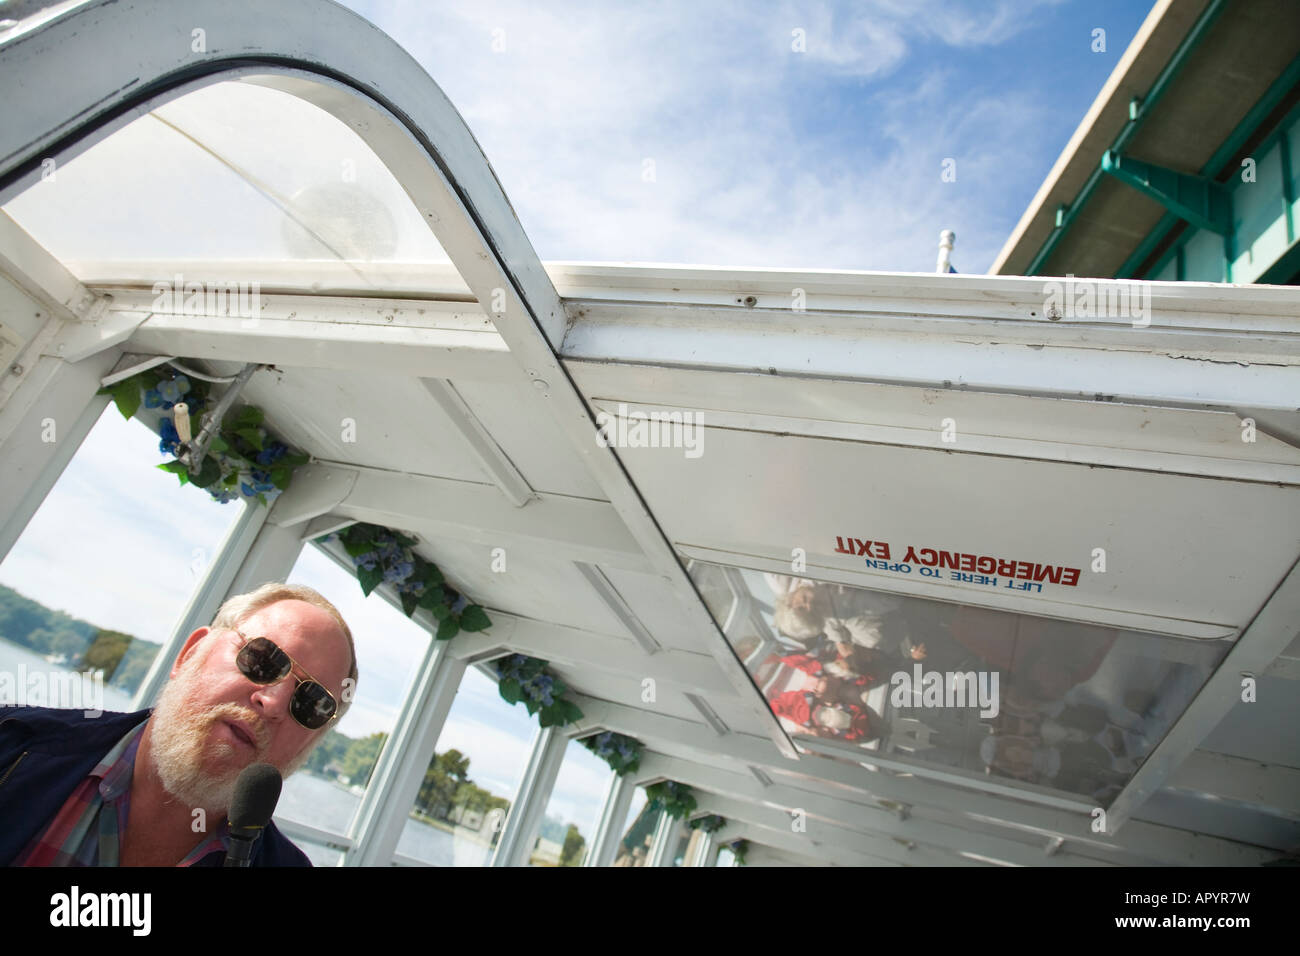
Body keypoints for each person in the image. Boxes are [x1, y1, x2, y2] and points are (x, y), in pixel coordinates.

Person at [0, 582, 357, 867]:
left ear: (309, 744)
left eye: (311, 703)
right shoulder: (12, 744)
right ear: (190, 653)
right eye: (263, 659)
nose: (273, 703)